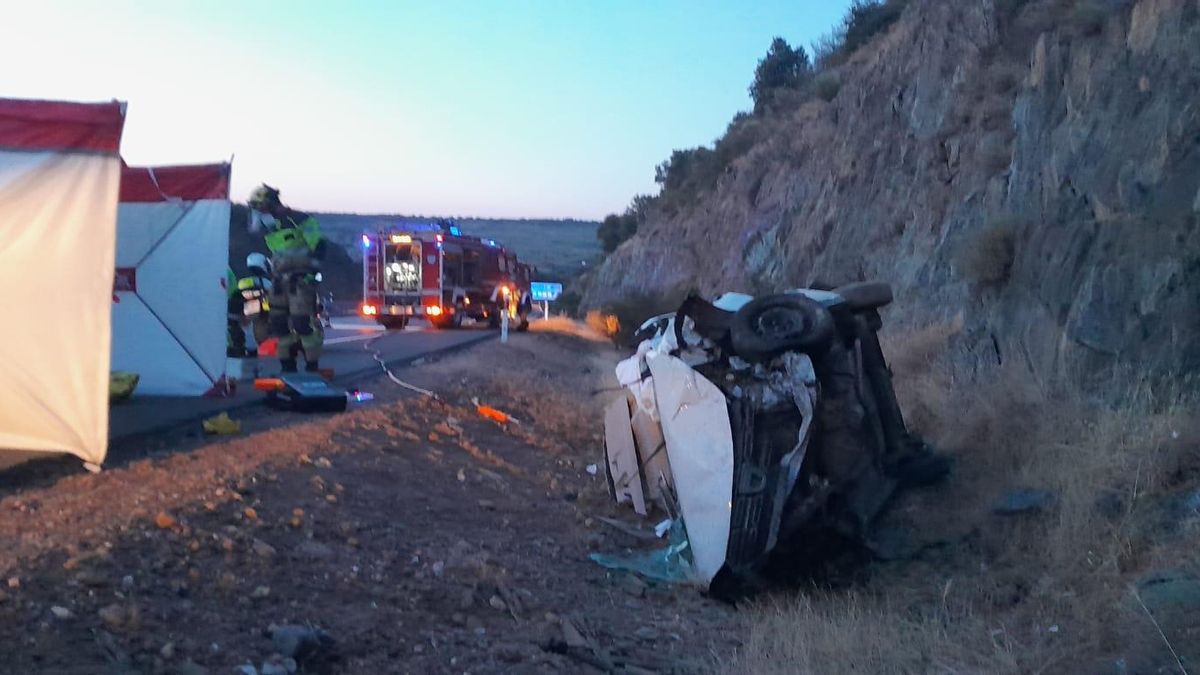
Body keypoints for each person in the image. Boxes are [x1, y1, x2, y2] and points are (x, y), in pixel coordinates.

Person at [247, 184, 327, 373]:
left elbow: (319, 245)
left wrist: (311, 273)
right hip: (279, 280)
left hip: (300, 279)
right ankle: (288, 368)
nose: (258, 212)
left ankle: (311, 367)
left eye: (260, 208)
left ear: (271, 204)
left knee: (301, 323)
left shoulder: (299, 220)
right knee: (278, 325)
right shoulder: (271, 227)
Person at [237, 252, 275, 354]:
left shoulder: (242, 282)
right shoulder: (267, 283)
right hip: (263, 318)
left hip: (246, 317)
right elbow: (269, 301)